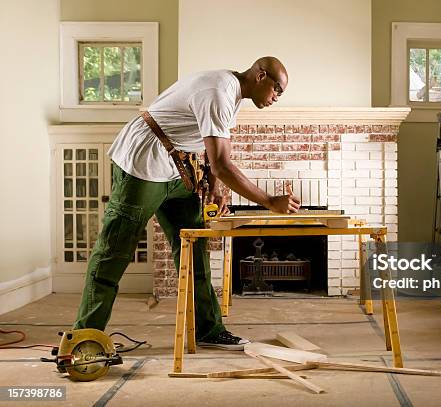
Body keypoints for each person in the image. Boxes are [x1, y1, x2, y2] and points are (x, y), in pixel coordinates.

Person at [73, 56, 301, 350]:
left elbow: (212, 153)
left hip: (174, 168)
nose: (276, 98)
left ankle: (208, 329)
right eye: (277, 90)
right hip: (142, 162)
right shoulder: (218, 91)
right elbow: (221, 163)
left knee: (193, 245)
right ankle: (83, 338)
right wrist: (270, 201)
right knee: (114, 250)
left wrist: (216, 190)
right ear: (260, 76)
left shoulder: (232, 95)